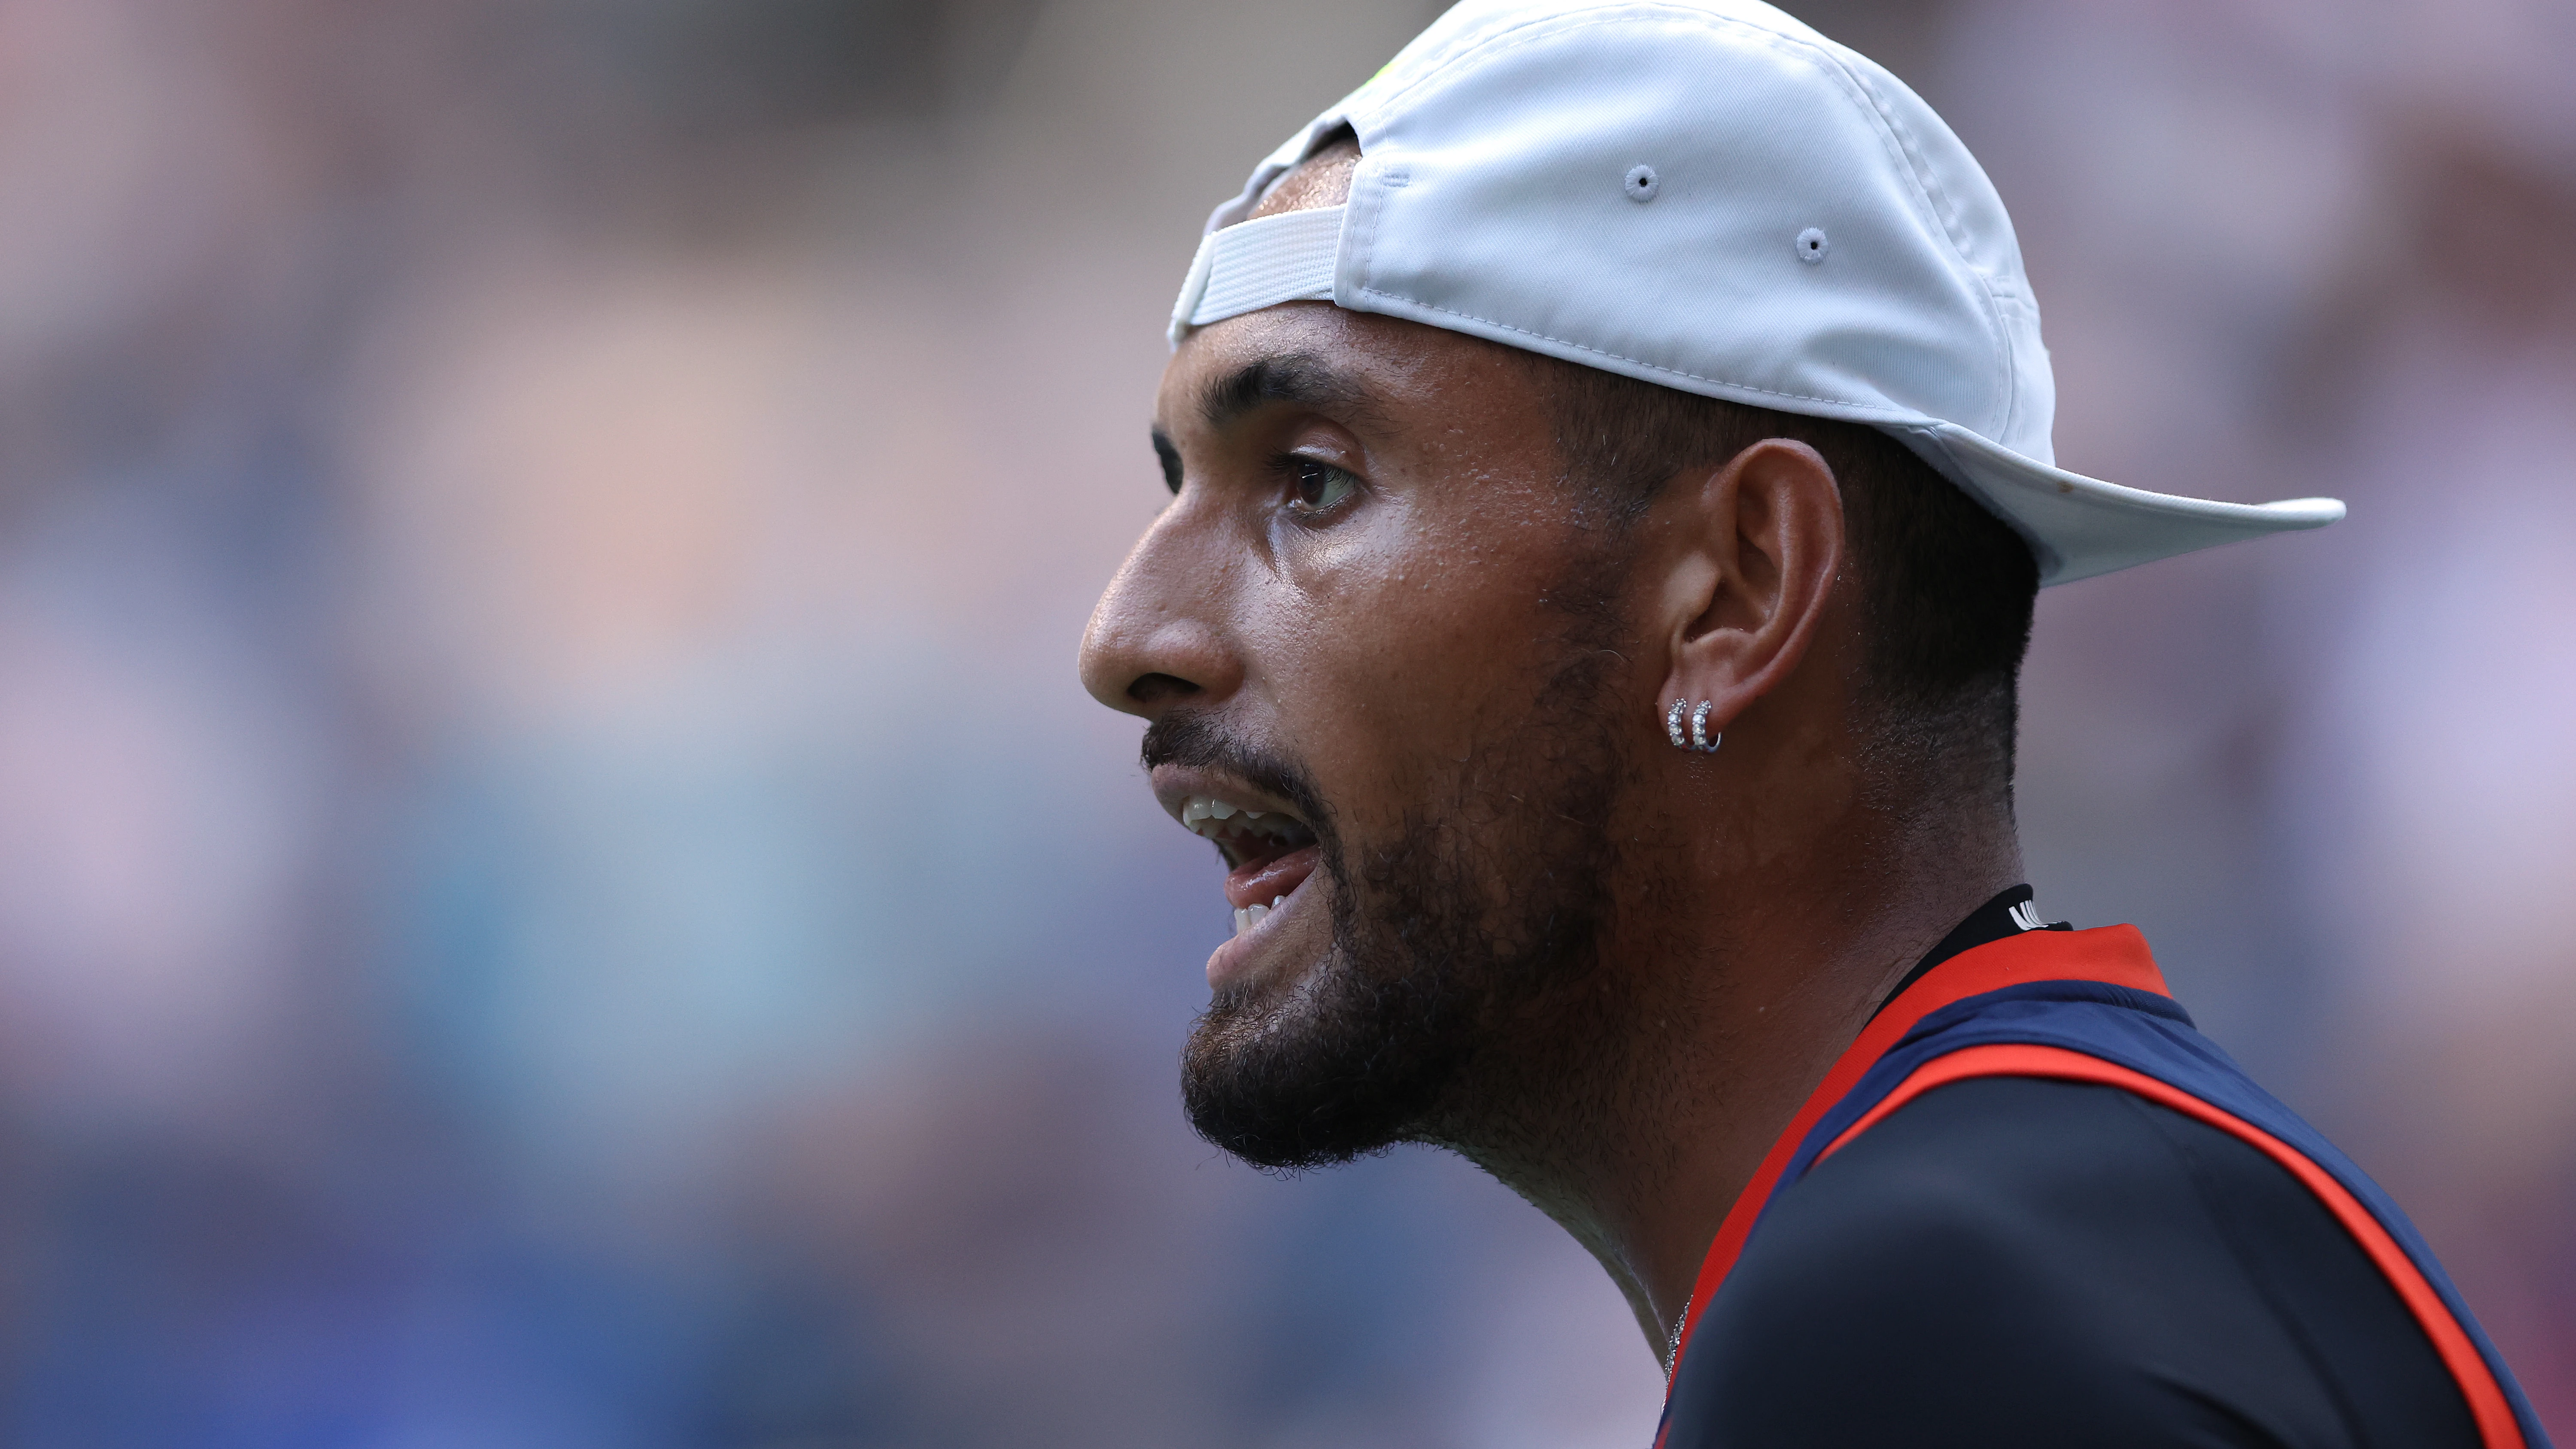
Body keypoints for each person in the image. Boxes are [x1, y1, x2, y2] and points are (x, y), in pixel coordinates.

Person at [1075, 2, 2548, 1444]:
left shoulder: (1927, 1309)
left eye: (1313, 480)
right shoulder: (2043, 1214)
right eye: (1177, 486)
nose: (1125, 639)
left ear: (1740, 588)